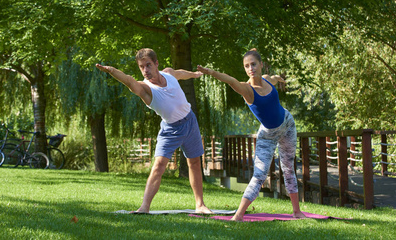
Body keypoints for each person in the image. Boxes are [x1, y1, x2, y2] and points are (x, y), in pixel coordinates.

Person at [96, 48, 212, 214]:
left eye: (148, 65)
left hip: (190, 121)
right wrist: (112, 71)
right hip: (171, 129)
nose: (145, 70)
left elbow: (180, 73)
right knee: (158, 166)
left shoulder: (169, 74)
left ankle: (200, 205)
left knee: (194, 163)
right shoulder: (145, 89)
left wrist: (193, 75)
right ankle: (144, 207)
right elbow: (129, 81)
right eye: (141, 67)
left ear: (156, 64)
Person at [197, 49, 306, 221]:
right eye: (246, 66)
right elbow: (231, 81)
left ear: (261, 65)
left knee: (288, 167)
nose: (250, 69)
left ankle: (297, 211)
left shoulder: (267, 80)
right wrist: (211, 72)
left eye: (253, 64)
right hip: (268, 135)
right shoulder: (247, 90)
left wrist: (280, 79)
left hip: (288, 125)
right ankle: (238, 215)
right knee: (259, 175)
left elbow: (274, 78)